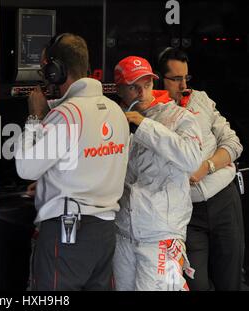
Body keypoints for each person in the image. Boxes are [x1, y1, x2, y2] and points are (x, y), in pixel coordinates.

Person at [15, 33, 129, 290]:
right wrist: (50, 183)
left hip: (68, 234)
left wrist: (35, 117)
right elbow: (88, 162)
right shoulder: (116, 112)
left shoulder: (66, 115)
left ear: (57, 71)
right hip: (105, 233)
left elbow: (25, 167)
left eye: (46, 68)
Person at [112, 56, 203, 291]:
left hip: (162, 237)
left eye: (147, 84)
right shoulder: (115, 119)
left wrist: (143, 125)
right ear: (119, 88)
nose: (142, 93)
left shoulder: (179, 117)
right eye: (133, 87)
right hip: (123, 232)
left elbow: (192, 159)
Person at [157, 47, 244, 290]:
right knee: (197, 285)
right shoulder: (153, 113)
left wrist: (207, 166)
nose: (183, 84)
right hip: (187, 213)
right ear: (160, 79)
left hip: (224, 201)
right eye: (175, 79)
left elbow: (234, 144)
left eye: (186, 77)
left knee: (230, 283)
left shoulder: (201, 99)